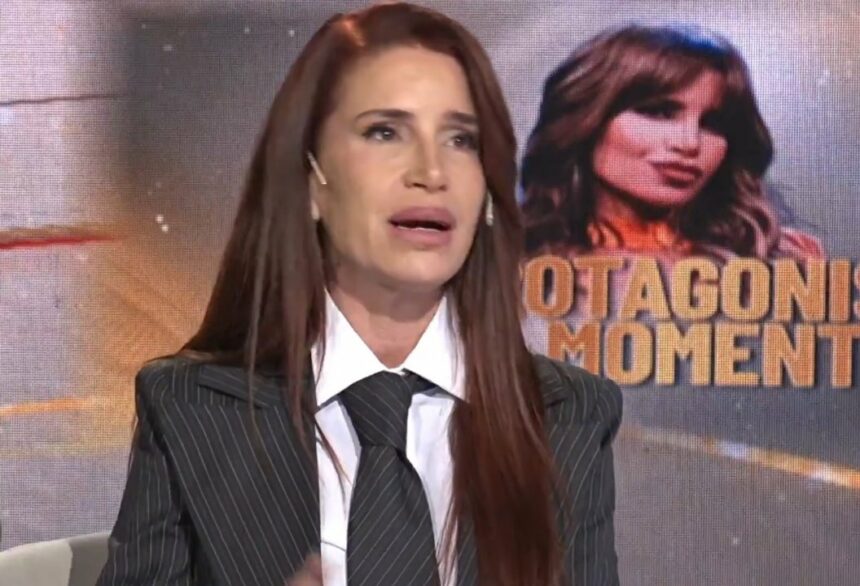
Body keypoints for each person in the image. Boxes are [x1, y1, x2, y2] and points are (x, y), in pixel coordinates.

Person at [96, 3, 622, 586]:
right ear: (310, 182)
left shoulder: (568, 417)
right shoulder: (190, 409)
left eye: (461, 139)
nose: (432, 172)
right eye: (384, 132)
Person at [520, 24, 824, 263]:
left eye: (712, 124)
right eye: (659, 112)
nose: (689, 143)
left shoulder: (784, 261)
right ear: (586, 120)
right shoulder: (517, 260)